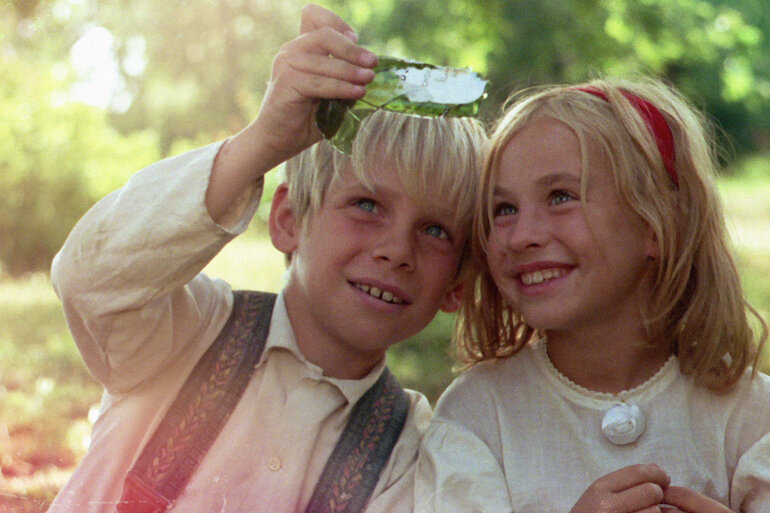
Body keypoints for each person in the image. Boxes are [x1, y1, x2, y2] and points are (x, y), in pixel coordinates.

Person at [48, 4, 487, 513]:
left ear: (457, 285)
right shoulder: (185, 333)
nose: (397, 250)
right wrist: (264, 141)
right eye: (367, 206)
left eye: (435, 231)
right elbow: (89, 277)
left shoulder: (408, 457)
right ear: (288, 220)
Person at [414, 76, 770, 513]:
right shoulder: (479, 417)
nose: (522, 235)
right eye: (504, 209)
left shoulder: (749, 416)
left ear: (656, 225)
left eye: (560, 196)